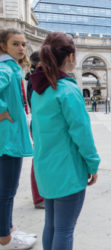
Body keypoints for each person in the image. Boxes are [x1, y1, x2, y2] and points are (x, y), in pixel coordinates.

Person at [30, 32, 100, 250]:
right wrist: (92, 164)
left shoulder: (39, 89)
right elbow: (82, 134)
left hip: (46, 168)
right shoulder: (68, 90)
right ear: (70, 56)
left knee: (51, 226)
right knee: (64, 230)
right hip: (67, 170)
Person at [0, 28, 37, 249]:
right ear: (3, 46)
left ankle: (9, 228)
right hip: (8, 139)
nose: (21, 48)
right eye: (15, 44)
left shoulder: (10, 67)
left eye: (23, 44)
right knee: (7, 191)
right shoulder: (5, 68)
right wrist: (2, 111)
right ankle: (5, 237)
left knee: (6, 189)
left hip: (9, 137)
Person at [25, 51, 45, 209]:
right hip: (39, 126)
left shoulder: (35, 78)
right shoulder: (35, 80)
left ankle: (43, 193)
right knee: (38, 160)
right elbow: (37, 105)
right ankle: (38, 198)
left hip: (41, 125)